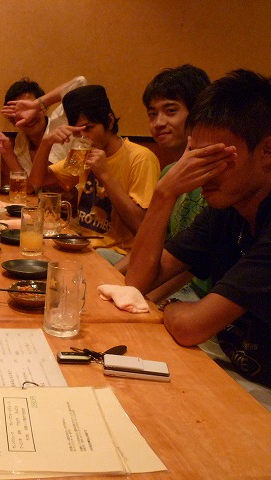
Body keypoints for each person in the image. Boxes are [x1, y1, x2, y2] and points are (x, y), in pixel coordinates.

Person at [125, 69, 271, 390]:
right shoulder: (227, 209)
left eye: (215, 158)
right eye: (195, 157)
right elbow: (136, 282)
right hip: (230, 366)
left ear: (267, 151)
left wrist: (172, 308)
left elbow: (191, 327)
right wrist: (164, 193)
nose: (202, 172)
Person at [45, 85, 161, 262]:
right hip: (85, 244)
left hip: (119, 253)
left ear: (110, 121)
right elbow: (40, 180)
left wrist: (105, 175)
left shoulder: (141, 158)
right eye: (77, 132)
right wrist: (46, 143)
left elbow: (141, 227)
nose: (84, 137)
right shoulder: (84, 154)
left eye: (89, 128)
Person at [129, 65, 212, 301]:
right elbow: (160, 247)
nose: (158, 123)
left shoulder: (216, 176)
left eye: (170, 111)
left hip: (200, 291)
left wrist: (144, 298)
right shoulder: (168, 172)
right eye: (152, 114)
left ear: (198, 113)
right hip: (164, 273)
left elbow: (194, 264)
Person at [0, 76, 86, 193]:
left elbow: (80, 82)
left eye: (29, 108)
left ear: (43, 109)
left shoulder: (59, 121)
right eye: (20, 112)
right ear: (13, 120)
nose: (28, 117)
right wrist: (7, 153)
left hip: (79, 198)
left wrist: (37, 105)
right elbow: (28, 188)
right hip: (46, 202)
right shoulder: (21, 140)